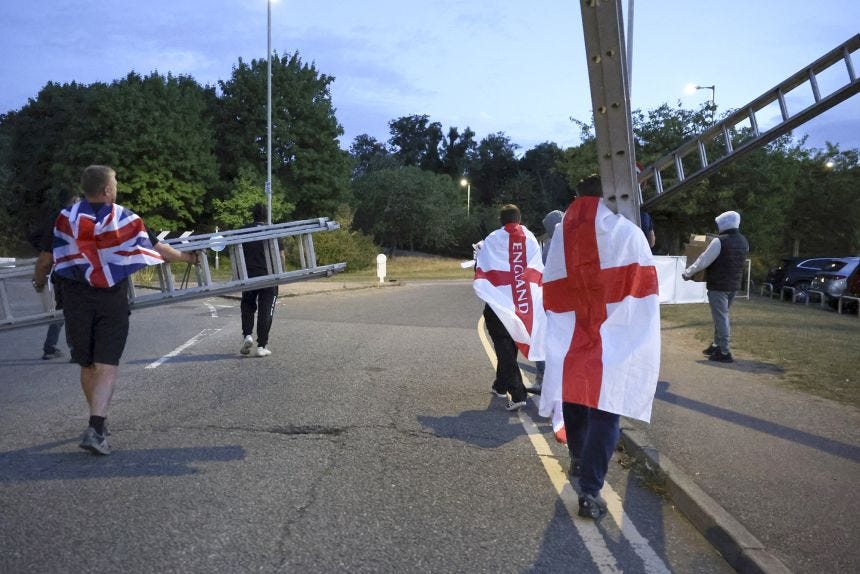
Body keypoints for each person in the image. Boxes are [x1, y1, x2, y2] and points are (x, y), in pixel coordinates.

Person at [46, 165, 199, 455]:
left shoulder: (65, 218)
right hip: (110, 299)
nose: (116, 187)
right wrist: (186, 258)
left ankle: (98, 423)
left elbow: (49, 254)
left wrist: (39, 279)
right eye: (114, 183)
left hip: (75, 299)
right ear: (106, 190)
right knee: (107, 363)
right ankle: (96, 425)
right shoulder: (124, 218)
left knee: (87, 363)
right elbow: (155, 248)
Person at [539, 174, 660, 519]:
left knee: (576, 397)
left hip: (574, 332)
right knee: (607, 406)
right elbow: (645, 289)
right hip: (615, 334)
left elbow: (552, 286)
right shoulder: (628, 232)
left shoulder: (561, 234)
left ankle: (578, 459)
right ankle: (590, 491)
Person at [473, 204, 545, 411]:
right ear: (519, 218)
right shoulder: (531, 238)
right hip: (522, 300)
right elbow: (536, 267)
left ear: (501, 219)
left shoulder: (492, 239)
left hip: (499, 300)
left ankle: (517, 392)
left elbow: (481, 265)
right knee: (510, 343)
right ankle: (501, 385)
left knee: (503, 344)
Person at [682, 210, 749, 363]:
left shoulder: (719, 241)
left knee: (721, 318)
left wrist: (688, 273)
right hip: (734, 285)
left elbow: (703, 260)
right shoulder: (744, 241)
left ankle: (724, 352)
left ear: (724, 224)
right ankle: (716, 345)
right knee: (721, 317)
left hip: (718, 285)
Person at [31, 188, 78, 360]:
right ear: (73, 199)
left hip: (59, 272)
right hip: (72, 273)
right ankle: (75, 350)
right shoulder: (69, 218)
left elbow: (38, 240)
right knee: (72, 311)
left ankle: (50, 347)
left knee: (61, 309)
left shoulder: (54, 217)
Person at [239, 203, 283, 358]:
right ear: (267, 216)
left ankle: (247, 335)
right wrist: (281, 272)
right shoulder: (273, 231)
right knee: (266, 311)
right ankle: (262, 346)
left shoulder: (243, 230)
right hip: (269, 277)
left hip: (249, 276)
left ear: (253, 214)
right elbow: (281, 255)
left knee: (247, 306)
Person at [533, 209, 563, 392]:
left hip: (550, 299)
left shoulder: (552, 244)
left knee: (542, 338)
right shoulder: (573, 240)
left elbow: (542, 270)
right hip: (567, 302)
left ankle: (543, 379)